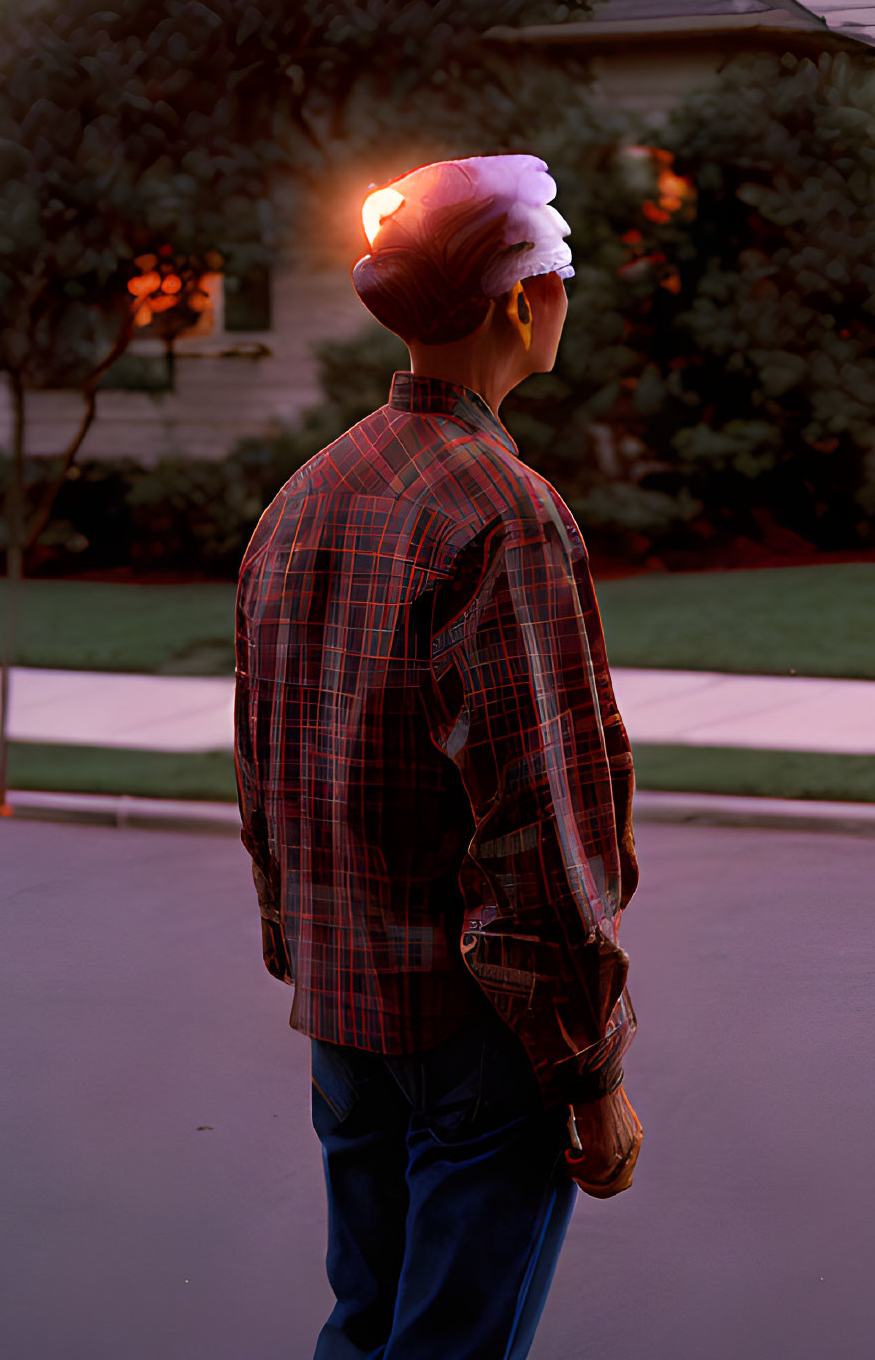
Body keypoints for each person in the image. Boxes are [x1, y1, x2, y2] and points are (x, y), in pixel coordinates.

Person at [235, 153, 642, 1360]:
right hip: (473, 1039)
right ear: (523, 301)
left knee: (365, 1331)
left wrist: (295, 950)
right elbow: (539, 826)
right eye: (564, 279)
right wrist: (588, 1072)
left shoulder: (304, 498)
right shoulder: (503, 513)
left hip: (345, 1019)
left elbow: (268, 774)